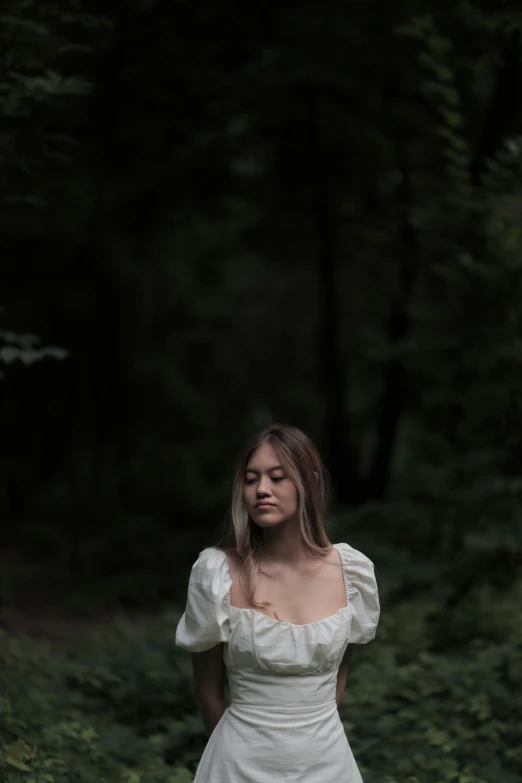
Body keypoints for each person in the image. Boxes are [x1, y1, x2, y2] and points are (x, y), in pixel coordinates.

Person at [175, 424, 380, 782]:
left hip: (328, 766)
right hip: (237, 767)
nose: (262, 490)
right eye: (251, 479)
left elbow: (336, 679)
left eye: (277, 477)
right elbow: (208, 693)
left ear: (309, 482)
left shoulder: (352, 573)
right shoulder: (217, 573)